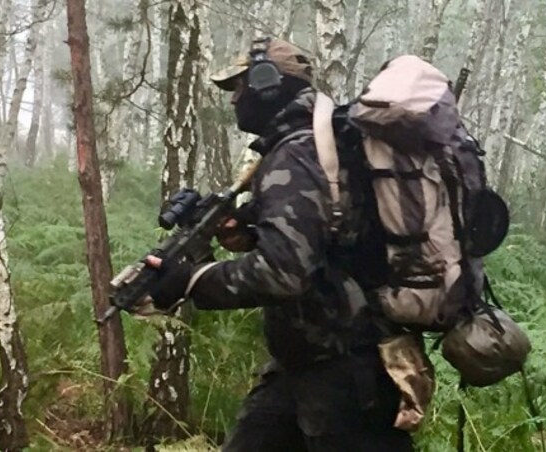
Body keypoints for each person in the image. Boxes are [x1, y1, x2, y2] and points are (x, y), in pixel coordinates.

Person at [144, 38, 414, 452]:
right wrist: (250, 231)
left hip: (344, 371)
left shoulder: (297, 154)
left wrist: (192, 281)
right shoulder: (313, 144)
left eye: (240, 86)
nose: (235, 100)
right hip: (304, 363)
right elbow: (327, 239)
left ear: (267, 83)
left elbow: (284, 272)